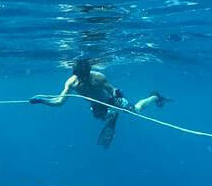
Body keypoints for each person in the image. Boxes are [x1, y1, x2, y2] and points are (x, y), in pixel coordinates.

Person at [29, 57, 169, 148]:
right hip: (96, 105)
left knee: (136, 110)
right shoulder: (71, 83)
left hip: (111, 101)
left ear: (88, 72)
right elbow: (59, 102)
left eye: (84, 76)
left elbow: (112, 90)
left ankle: (154, 96)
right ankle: (112, 116)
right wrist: (42, 101)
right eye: (78, 76)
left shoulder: (98, 77)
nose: (81, 79)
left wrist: (117, 92)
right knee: (99, 116)